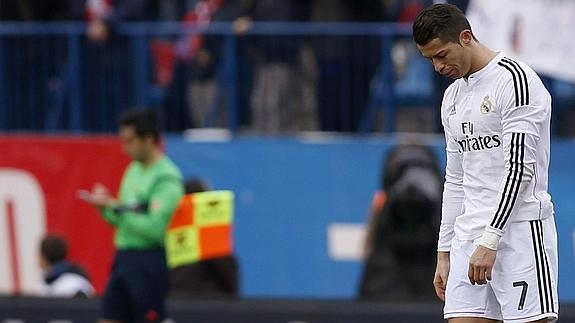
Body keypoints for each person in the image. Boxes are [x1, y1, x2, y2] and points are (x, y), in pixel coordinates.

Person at [412, 4, 558, 322]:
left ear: (466, 37)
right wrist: (444, 250)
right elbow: (456, 179)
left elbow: (519, 169)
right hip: (468, 238)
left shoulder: (516, 81)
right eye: (430, 60)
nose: (438, 67)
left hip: (518, 235)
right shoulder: (452, 98)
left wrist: (490, 240)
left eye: (442, 55)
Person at [80, 108, 184, 323]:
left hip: (148, 262)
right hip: (123, 259)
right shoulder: (133, 170)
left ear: (148, 139)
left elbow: (155, 229)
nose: (124, 148)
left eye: (130, 141)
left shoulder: (166, 179)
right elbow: (122, 219)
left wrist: (116, 207)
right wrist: (105, 208)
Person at [168, 177, 240, 298]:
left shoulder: (166, 235)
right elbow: (231, 283)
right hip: (210, 307)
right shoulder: (211, 239)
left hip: (176, 306)